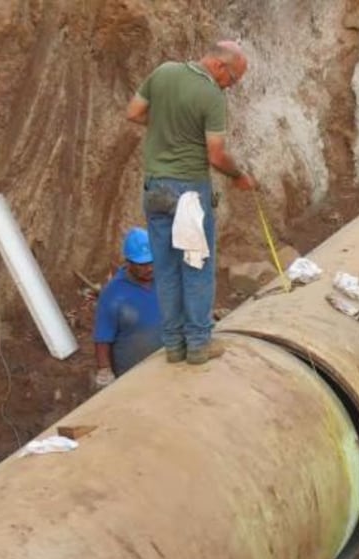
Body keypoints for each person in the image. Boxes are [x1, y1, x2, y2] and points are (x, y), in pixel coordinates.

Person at [126, 41, 256, 366]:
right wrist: (238, 175)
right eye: (233, 79)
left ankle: (173, 346)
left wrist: (165, 127)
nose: (231, 86)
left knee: (167, 270)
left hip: (155, 189)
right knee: (196, 269)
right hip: (188, 195)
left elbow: (134, 113)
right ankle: (198, 344)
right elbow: (215, 154)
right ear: (218, 66)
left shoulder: (163, 72)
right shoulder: (211, 95)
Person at [93, 227, 163, 387]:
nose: (150, 268)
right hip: (133, 374)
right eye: (143, 264)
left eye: (152, 262)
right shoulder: (113, 293)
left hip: (166, 364)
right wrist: (104, 370)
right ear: (129, 262)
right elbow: (102, 337)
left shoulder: (164, 279)